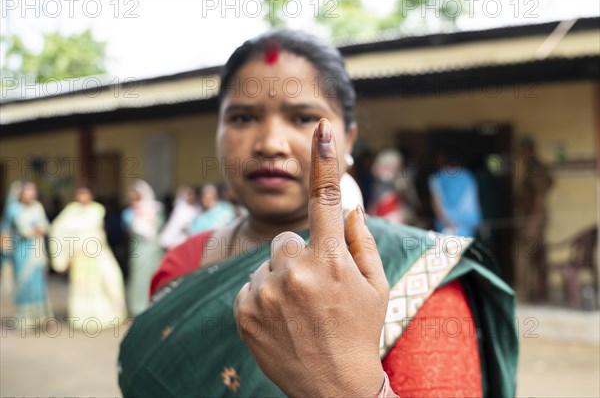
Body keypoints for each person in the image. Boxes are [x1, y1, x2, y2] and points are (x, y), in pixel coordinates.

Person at [118, 29, 517, 397]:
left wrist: (345, 384)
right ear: (218, 134)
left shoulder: (416, 272)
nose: (270, 143)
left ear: (349, 139)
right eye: (242, 117)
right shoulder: (183, 260)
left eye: (304, 117)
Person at [49, 186, 127, 328]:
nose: (83, 197)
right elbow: (58, 229)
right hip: (80, 256)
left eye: (85, 194)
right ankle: (83, 317)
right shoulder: (71, 212)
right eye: (80, 194)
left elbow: (100, 230)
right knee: (83, 285)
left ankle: (106, 315)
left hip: (97, 253)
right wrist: (66, 254)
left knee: (108, 279)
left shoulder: (97, 210)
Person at [515, 137, 554, 301]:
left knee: (523, 254)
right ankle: (536, 292)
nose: (518, 154)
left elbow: (539, 197)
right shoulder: (531, 166)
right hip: (532, 217)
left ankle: (523, 293)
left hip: (533, 218)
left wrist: (533, 222)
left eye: (520, 150)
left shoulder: (535, 168)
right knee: (533, 255)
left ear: (527, 150)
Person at [8, 181, 53, 321]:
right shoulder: (13, 208)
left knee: (38, 283)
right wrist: (32, 230)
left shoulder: (37, 207)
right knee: (23, 282)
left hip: (37, 249)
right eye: (27, 190)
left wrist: (39, 229)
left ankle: (39, 319)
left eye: (33, 190)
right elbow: (11, 229)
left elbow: (46, 225)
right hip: (21, 250)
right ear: (20, 193)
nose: (31, 193)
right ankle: (24, 320)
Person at [122, 180, 165, 316]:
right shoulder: (129, 213)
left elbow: (160, 228)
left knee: (154, 276)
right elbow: (132, 229)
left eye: (136, 195)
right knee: (139, 278)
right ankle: (138, 308)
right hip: (139, 250)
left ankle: (154, 305)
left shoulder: (156, 209)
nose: (134, 199)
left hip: (155, 250)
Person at [429, 153, 483, 237]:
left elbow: (436, 202)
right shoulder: (468, 176)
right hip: (467, 225)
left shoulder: (437, 178)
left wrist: (446, 222)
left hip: (446, 226)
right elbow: (473, 201)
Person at [369, 149, 420, 226]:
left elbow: (412, 202)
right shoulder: (379, 183)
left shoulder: (401, 180)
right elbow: (375, 204)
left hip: (395, 219)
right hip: (383, 219)